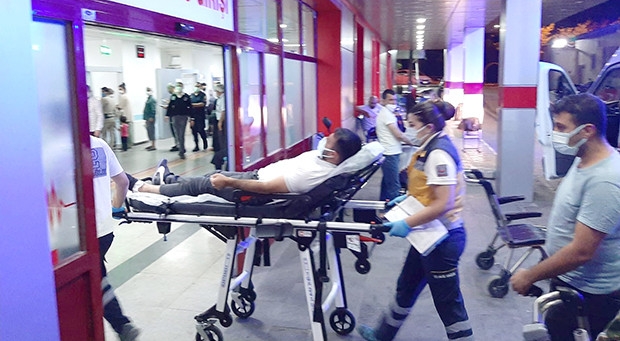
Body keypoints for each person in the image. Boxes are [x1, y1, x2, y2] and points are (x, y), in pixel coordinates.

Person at [358, 100, 473, 341]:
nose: (409, 129)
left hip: (443, 239)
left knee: (448, 303)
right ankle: (382, 335)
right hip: (427, 235)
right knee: (407, 286)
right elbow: (427, 189)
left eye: (412, 125)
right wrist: (406, 200)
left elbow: (443, 204)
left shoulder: (438, 154)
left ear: (428, 127)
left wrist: (406, 223)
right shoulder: (429, 147)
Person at [510, 93, 620, 341]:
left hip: (587, 295)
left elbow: (582, 251)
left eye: (561, 127)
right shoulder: (583, 160)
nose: (555, 134)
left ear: (587, 130)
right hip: (568, 280)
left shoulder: (606, 180)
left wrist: (531, 274)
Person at [128, 128, 362, 202]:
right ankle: (169, 180)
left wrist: (229, 182)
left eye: (328, 141)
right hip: (257, 175)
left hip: (255, 191)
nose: (323, 141)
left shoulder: (313, 174)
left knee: (204, 183)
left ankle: (147, 189)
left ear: (334, 155)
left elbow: (268, 188)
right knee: (213, 174)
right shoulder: (323, 160)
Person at [90, 135, 141, 341]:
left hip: (81, 233)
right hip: (105, 230)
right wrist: (116, 208)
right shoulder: (100, 144)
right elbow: (123, 181)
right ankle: (121, 325)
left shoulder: (62, 147)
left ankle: (122, 325)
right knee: (96, 278)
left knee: (95, 281)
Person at [375, 89, 415, 202]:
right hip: (390, 153)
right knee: (394, 185)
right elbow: (398, 134)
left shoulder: (389, 114)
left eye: (394, 100)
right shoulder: (386, 115)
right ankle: (394, 208)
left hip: (391, 151)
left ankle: (383, 203)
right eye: (390, 100)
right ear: (383, 101)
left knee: (387, 181)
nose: (393, 103)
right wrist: (411, 142)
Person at [167, 82, 191, 159]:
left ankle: (181, 151)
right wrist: (167, 115)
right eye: (177, 86)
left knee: (181, 134)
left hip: (183, 117)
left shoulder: (186, 96)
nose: (178, 87)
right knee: (177, 134)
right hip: (175, 117)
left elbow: (190, 107)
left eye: (180, 86)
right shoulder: (173, 96)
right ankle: (181, 147)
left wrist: (191, 117)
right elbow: (170, 106)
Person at [211, 83, 227, 169]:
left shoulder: (223, 99)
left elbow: (223, 111)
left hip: (222, 121)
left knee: (222, 140)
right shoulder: (219, 99)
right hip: (218, 120)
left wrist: (220, 122)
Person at [190, 82, 208, 152]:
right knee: (194, 131)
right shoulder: (191, 96)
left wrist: (192, 105)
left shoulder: (202, 95)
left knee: (201, 130)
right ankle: (196, 145)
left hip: (200, 116)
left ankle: (204, 142)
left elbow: (202, 104)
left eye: (198, 86)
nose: (196, 87)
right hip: (193, 116)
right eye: (195, 86)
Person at [160, 83, 179, 152]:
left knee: (176, 131)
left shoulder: (175, 95)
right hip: (173, 115)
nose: (168, 90)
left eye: (169, 88)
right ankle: (177, 143)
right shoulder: (173, 96)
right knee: (174, 131)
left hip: (175, 116)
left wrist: (167, 107)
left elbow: (173, 106)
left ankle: (179, 145)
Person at [116, 83, 133, 148]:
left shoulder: (123, 97)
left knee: (124, 133)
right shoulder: (126, 96)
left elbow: (120, 106)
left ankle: (126, 145)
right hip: (128, 116)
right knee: (128, 132)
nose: (119, 91)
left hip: (125, 117)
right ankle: (129, 145)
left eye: (120, 89)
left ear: (124, 89)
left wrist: (116, 106)